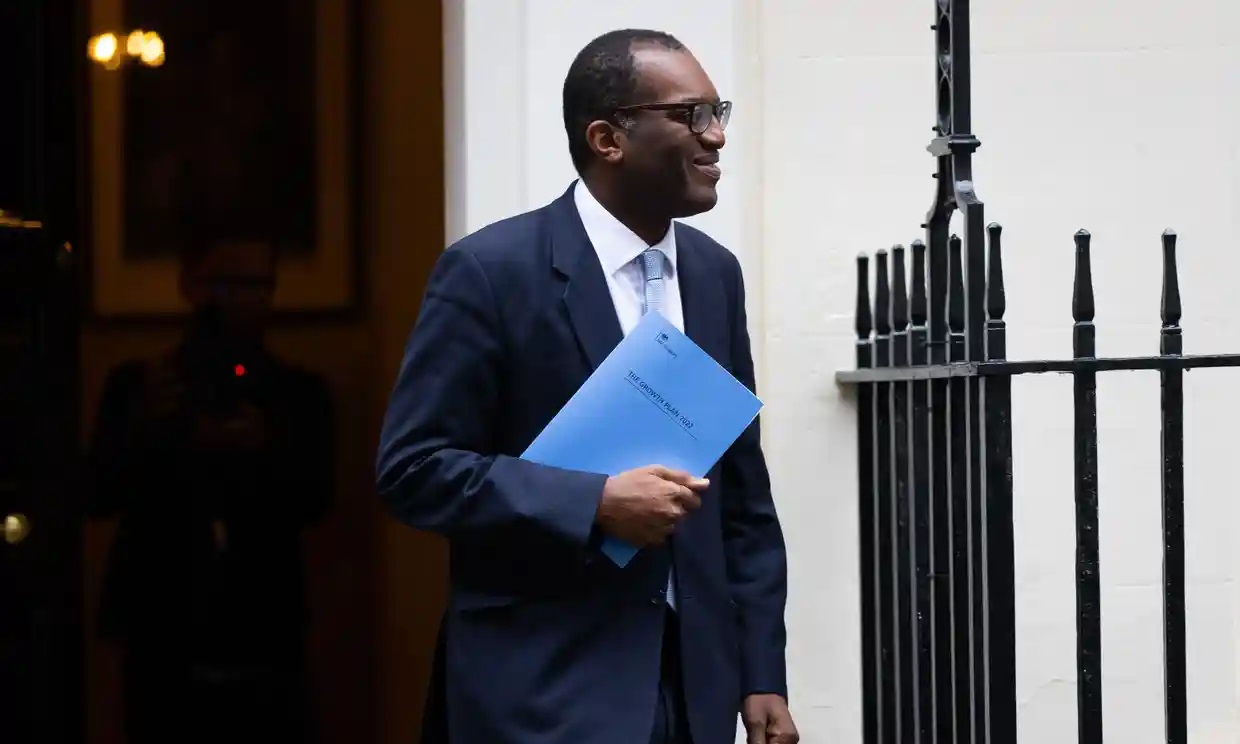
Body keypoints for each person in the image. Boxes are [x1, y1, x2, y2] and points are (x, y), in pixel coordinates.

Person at [376, 28, 798, 744]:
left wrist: (761, 671)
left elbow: (742, 496)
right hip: (543, 689)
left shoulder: (712, 273)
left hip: (693, 690)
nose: (717, 136)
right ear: (608, 138)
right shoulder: (490, 271)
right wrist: (594, 502)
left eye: (717, 111)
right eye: (690, 114)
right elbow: (415, 470)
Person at [87, 234, 334, 744]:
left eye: (259, 284)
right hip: (161, 631)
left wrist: (266, 447)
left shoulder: (299, 395)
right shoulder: (140, 387)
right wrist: (143, 426)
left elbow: (316, 500)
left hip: (264, 629)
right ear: (190, 285)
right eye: (228, 283)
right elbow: (94, 495)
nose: (246, 299)